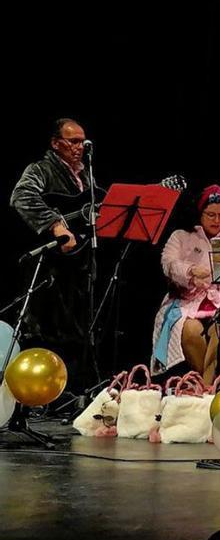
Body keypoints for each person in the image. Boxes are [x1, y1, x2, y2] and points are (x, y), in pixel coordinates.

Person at [9, 118, 100, 387]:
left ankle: (71, 390)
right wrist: (55, 223)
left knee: (78, 330)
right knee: (45, 331)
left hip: (78, 266)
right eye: (72, 141)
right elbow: (21, 196)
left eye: (82, 141)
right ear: (55, 143)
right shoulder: (41, 169)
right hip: (48, 265)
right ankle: (37, 393)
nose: (79, 146)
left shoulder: (86, 175)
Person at [151, 186, 220, 384]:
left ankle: (203, 387)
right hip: (186, 302)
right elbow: (169, 264)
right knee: (189, 329)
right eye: (211, 215)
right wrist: (191, 271)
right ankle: (208, 385)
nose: (216, 220)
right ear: (200, 213)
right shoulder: (181, 236)